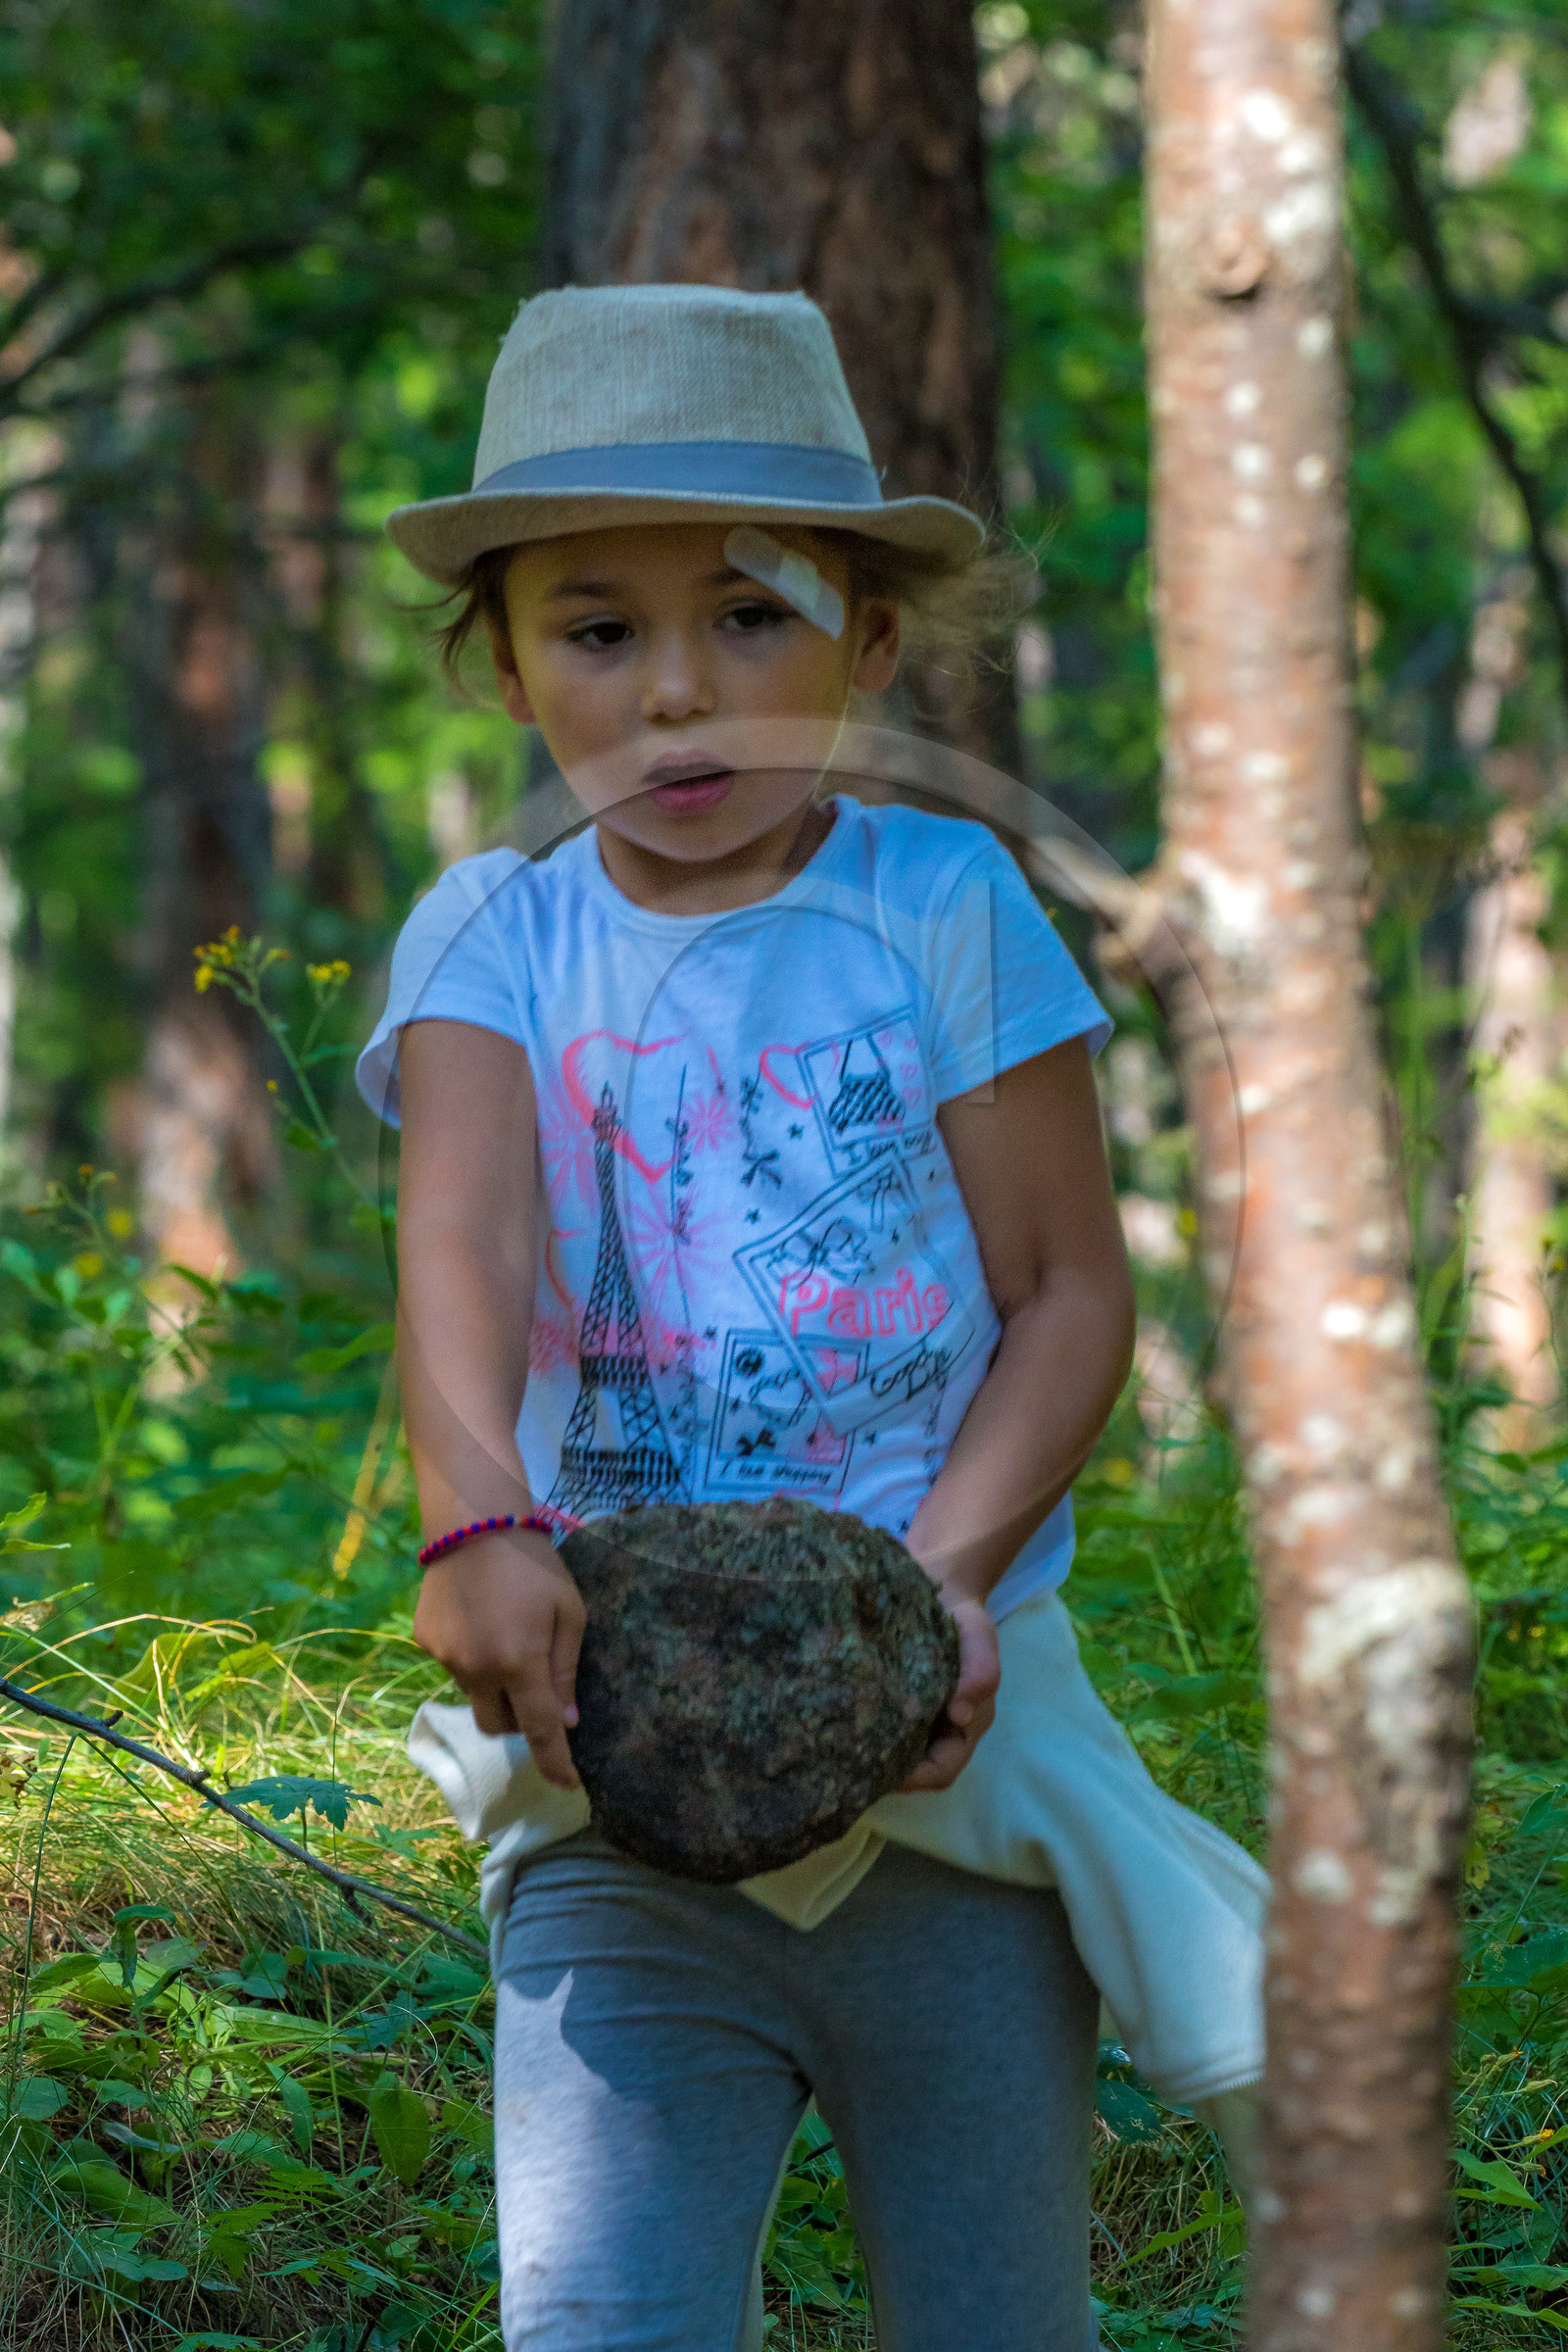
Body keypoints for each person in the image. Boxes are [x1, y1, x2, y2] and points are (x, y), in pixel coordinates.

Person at [356, 283, 1266, 2352]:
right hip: (612, 1764)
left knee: (993, 2314)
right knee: (599, 2313)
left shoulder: (942, 902)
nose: (683, 696)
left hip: (953, 1766)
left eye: (753, 617)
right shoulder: (493, 930)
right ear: (503, 657)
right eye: (598, 629)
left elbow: (1062, 1289)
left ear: (868, 642)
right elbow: (467, 1247)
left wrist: (934, 1595)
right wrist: (478, 1523)